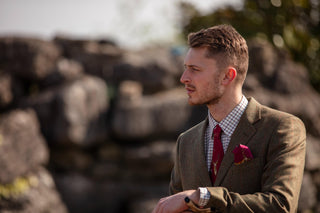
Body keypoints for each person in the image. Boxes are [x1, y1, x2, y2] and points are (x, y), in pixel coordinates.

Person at [152, 24, 306, 213]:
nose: (184, 77)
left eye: (194, 69)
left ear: (227, 76)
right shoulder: (185, 142)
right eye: (185, 68)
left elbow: (281, 205)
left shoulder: (282, 128)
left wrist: (203, 196)